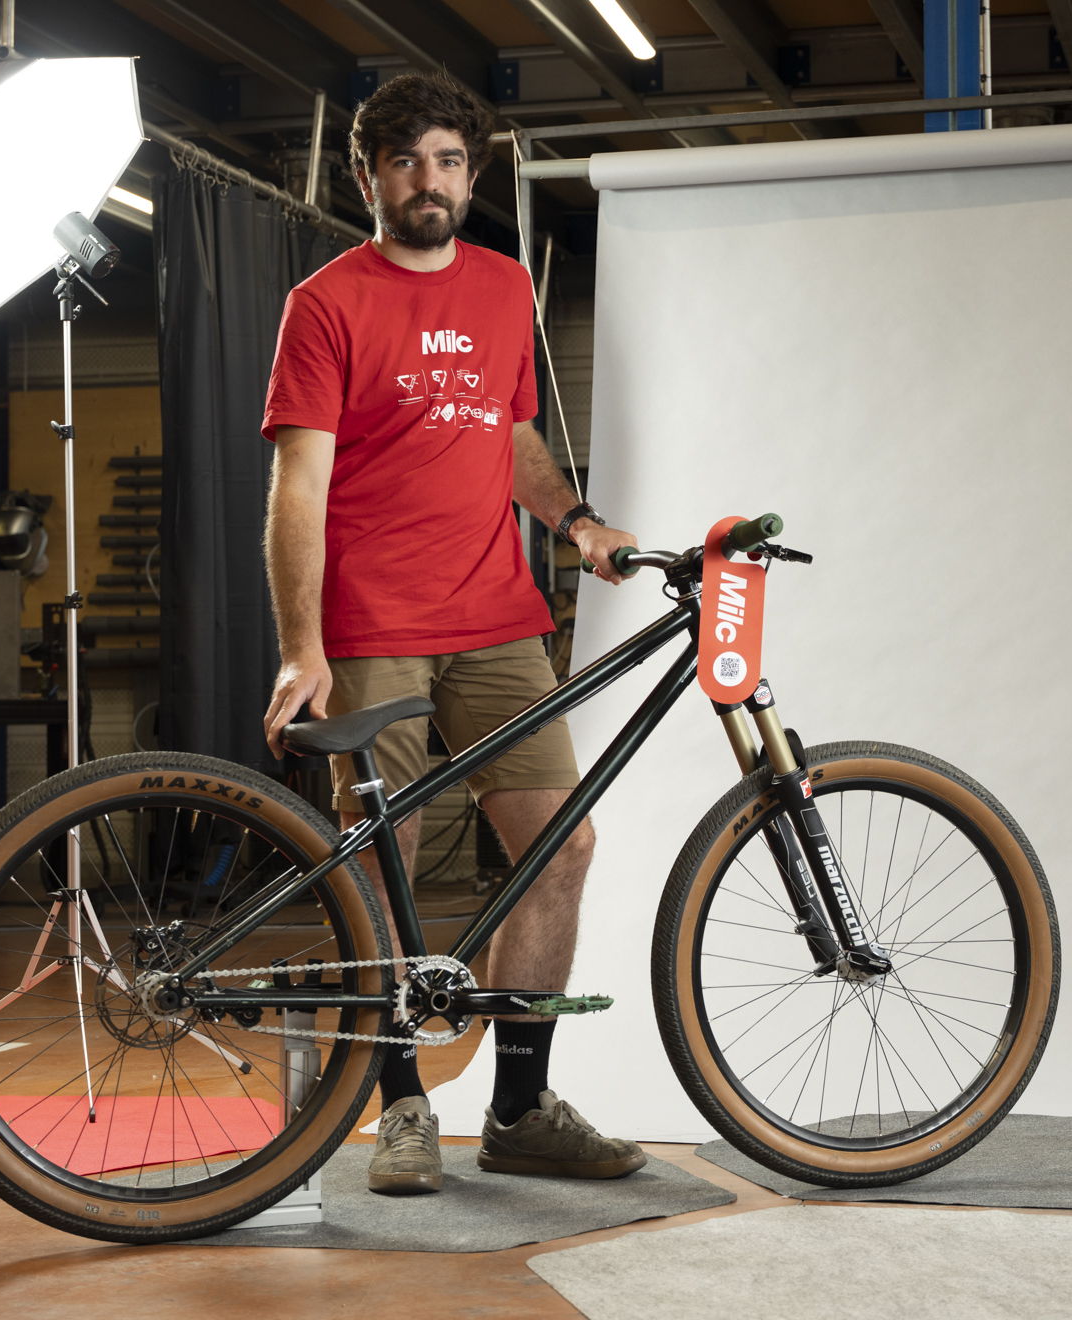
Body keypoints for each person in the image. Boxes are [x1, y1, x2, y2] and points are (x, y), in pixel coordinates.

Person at [260, 71, 646, 1196]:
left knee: (559, 845)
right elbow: (297, 488)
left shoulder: (504, 286)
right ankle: (400, 1106)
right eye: (403, 162)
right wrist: (300, 646)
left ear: (471, 175)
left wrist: (577, 522)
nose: (426, 182)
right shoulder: (326, 303)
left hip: (498, 621)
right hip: (374, 621)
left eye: (445, 161)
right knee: (384, 865)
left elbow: (512, 439)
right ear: (367, 177)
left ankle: (519, 1107)